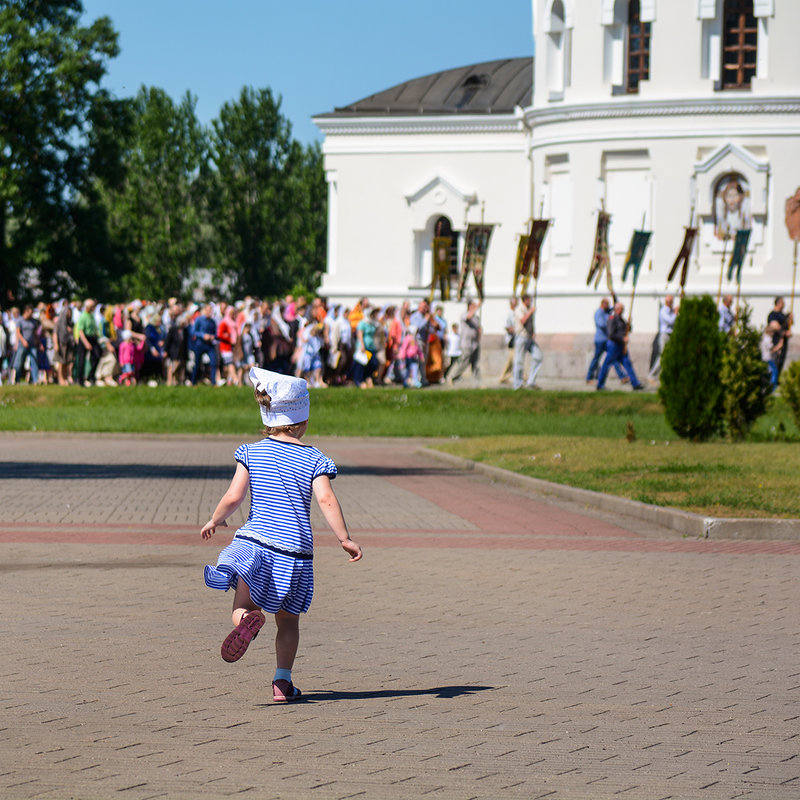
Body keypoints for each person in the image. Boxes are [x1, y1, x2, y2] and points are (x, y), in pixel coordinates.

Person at [201, 367, 362, 702]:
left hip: (255, 545)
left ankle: (246, 620)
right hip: (293, 554)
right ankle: (282, 682)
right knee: (288, 623)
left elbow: (234, 496)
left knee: (241, 604)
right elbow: (326, 498)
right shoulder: (314, 457)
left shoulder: (251, 451)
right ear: (303, 421)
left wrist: (215, 519)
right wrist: (344, 537)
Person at [596, 302, 644, 391]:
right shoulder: (612, 319)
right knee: (606, 365)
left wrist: (629, 323)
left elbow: (627, 330)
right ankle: (600, 384)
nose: (622, 311)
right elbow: (611, 334)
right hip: (613, 346)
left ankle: (635, 384)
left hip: (621, 346)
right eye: (621, 309)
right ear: (617, 309)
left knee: (627, 364)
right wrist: (622, 339)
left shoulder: (621, 319)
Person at [586, 297, 625, 383]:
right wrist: (611, 323)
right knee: (596, 359)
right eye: (606, 304)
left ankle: (622, 376)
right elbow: (602, 324)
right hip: (600, 340)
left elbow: (616, 306)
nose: (608, 306)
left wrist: (614, 295)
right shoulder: (599, 313)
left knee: (613, 358)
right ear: (602, 304)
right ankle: (589, 377)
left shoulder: (607, 312)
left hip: (607, 340)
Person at [512, 294, 543, 390]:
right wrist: (530, 312)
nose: (530, 302)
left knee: (538, 356)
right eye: (529, 300)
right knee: (519, 360)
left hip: (529, 337)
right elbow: (523, 320)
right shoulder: (519, 309)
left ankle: (531, 381)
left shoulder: (528, 309)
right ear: (525, 300)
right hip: (521, 337)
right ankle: (517, 383)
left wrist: (533, 332)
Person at [449, 299, 482, 385]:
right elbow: (468, 317)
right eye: (473, 305)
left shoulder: (476, 318)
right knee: (464, 362)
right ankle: (453, 376)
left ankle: (477, 383)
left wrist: (478, 338)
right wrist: (477, 306)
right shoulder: (464, 315)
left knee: (475, 364)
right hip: (466, 344)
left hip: (475, 344)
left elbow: (478, 329)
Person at [648, 295, 677, 381]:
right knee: (662, 356)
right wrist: (675, 313)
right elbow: (670, 321)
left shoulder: (670, 311)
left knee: (670, 356)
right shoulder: (663, 311)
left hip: (670, 335)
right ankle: (652, 375)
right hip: (665, 335)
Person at [12, 305, 40, 385]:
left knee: (34, 362)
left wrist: (39, 343)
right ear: (25, 311)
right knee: (19, 363)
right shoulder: (20, 320)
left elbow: (35, 334)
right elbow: (18, 332)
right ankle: (17, 380)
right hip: (22, 345)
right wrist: (23, 341)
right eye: (30, 313)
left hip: (32, 345)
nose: (31, 315)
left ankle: (35, 381)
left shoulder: (33, 321)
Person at [767, 296, 792, 380]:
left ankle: (776, 381)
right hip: (776, 341)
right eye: (782, 302)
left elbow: (787, 324)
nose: (784, 304)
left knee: (781, 361)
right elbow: (775, 326)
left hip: (783, 342)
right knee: (775, 362)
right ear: (778, 303)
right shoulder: (773, 315)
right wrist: (785, 333)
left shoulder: (783, 315)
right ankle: (771, 381)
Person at [498, 297, 517, 384]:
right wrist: (516, 330)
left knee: (511, 359)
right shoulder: (509, 314)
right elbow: (507, 327)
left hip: (516, 339)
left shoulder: (516, 313)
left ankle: (503, 377)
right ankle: (524, 377)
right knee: (514, 359)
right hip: (511, 339)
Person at [761, 320, 782, 390]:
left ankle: (766, 387)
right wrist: (779, 346)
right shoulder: (768, 339)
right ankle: (772, 387)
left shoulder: (763, 337)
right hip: (767, 358)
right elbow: (772, 350)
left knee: (766, 373)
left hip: (764, 358)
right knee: (774, 371)